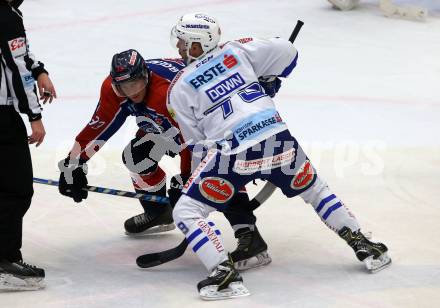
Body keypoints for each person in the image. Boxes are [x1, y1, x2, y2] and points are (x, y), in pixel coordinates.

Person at [167, 12, 392, 300]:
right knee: (316, 190)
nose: (178, 47)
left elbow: (197, 144)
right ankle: (366, 246)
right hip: (278, 139)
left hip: (232, 151)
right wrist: (269, 78)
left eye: (183, 42)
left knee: (186, 211)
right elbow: (288, 52)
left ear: (196, 45)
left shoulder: (180, 86)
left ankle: (223, 275)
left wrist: (203, 185)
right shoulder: (237, 50)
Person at [57, 49, 271, 270]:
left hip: (210, 125)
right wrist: (74, 162)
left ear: (146, 76)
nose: (131, 93)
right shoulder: (115, 90)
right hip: (168, 125)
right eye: (124, 87)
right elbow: (100, 125)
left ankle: (250, 236)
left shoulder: (168, 92)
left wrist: (188, 178)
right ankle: (158, 212)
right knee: (136, 155)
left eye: (136, 85)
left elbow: (192, 139)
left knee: (219, 170)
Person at [0, 0, 57, 290]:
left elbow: (19, 55)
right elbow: (16, 67)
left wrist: (40, 70)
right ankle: (4, 261)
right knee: (15, 188)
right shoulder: (6, 16)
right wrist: (34, 115)